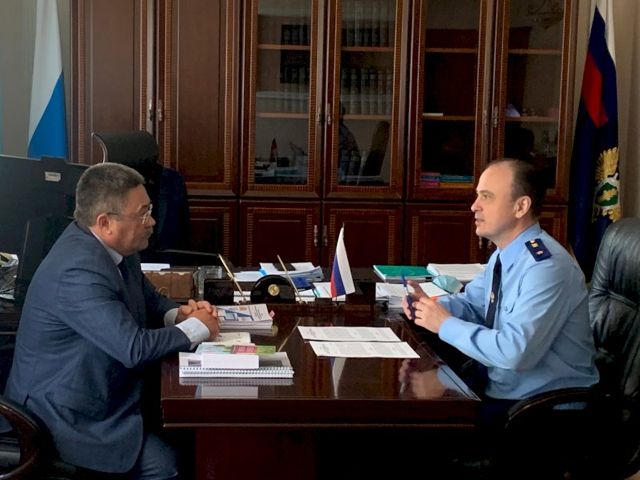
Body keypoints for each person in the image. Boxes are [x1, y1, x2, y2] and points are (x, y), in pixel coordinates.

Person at [5, 163, 219, 479]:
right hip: (62, 415)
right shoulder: (77, 270)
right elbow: (133, 348)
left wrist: (179, 314)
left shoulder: (116, 246)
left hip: (104, 389)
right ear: (105, 222)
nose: (152, 222)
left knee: (191, 436)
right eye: (143, 214)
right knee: (166, 466)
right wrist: (197, 328)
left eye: (149, 210)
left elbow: (149, 299)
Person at [403, 158, 599, 424]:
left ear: (521, 207)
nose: (474, 206)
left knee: (418, 425)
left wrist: (443, 324)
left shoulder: (546, 267)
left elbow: (514, 352)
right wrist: (427, 307)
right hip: (504, 391)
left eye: (487, 196)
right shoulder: (504, 255)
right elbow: (473, 304)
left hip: (543, 412)